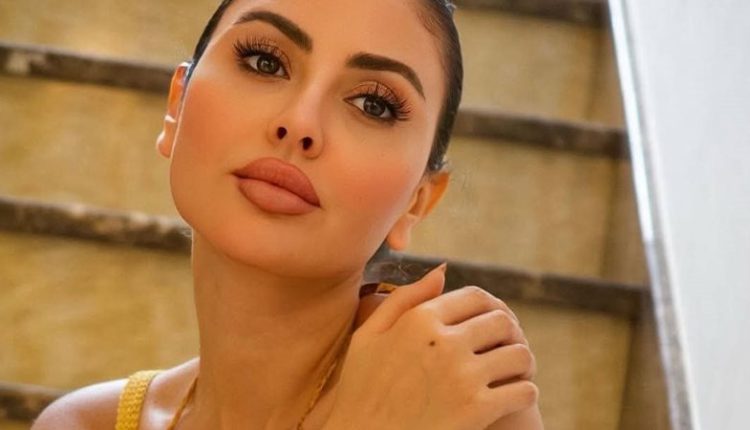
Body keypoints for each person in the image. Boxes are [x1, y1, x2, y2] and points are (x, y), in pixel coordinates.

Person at [32, 0, 543, 428]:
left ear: (418, 200)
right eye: (264, 62)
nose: (299, 123)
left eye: (373, 104)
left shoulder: (467, 404)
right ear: (176, 107)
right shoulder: (84, 424)